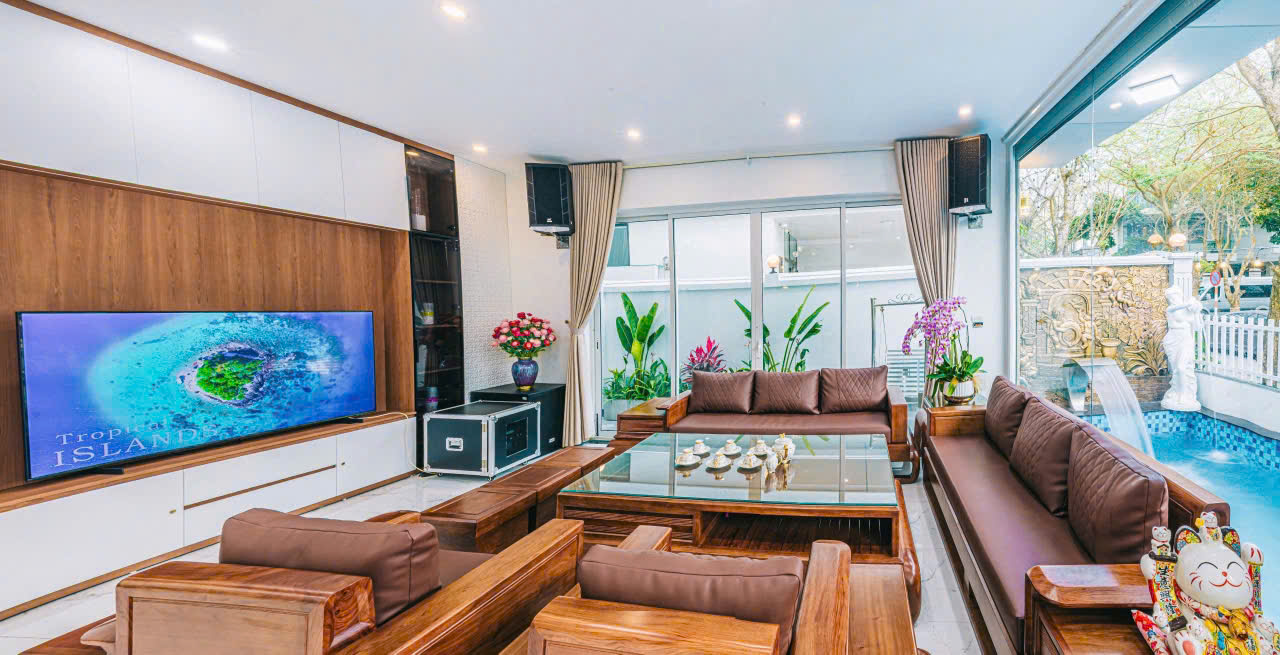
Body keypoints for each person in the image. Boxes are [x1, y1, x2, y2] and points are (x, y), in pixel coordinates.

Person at [1161, 285, 1202, 411]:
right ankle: (1177, 391)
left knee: (1181, 367)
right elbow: (1174, 308)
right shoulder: (1171, 309)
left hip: (1185, 340)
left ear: (1179, 295)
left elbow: (1198, 327)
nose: (1171, 299)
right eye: (1169, 297)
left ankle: (1184, 396)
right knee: (1176, 370)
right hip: (1172, 340)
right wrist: (1188, 304)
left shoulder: (1187, 311)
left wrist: (1196, 311)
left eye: (1173, 296)